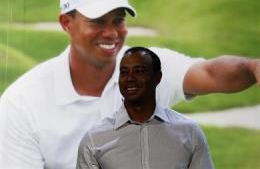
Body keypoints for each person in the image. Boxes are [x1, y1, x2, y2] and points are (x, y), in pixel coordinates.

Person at [0, 0, 260, 168]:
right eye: (97, 21)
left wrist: (254, 66)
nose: (111, 32)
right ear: (66, 23)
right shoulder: (22, 104)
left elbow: (209, 73)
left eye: (118, 19)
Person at [76, 47, 214, 169]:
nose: (129, 78)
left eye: (139, 71)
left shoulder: (189, 133)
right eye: (124, 72)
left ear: (157, 77)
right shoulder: (94, 139)